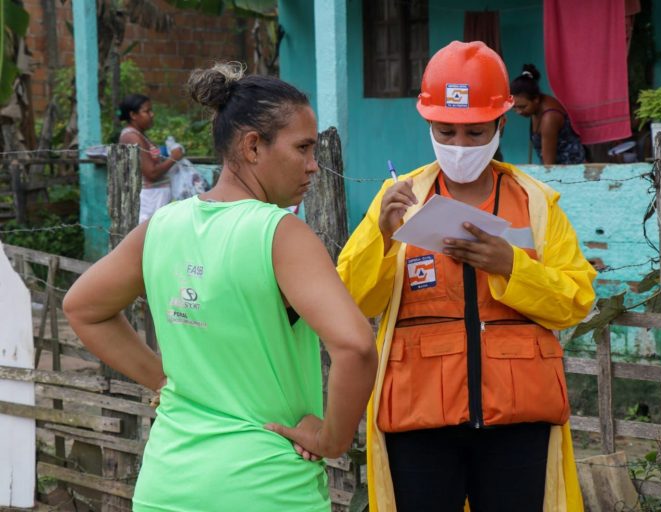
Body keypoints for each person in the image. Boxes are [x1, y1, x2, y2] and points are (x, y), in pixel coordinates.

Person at [64, 64, 378, 511]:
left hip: (167, 485)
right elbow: (356, 346)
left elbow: (81, 307)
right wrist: (330, 439)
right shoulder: (279, 233)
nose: (313, 165)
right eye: (303, 148)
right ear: (253, 146)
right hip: (265, 488)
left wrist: (166, 381)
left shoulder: (161, 227)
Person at [337, 41, 596, 512]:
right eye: (446, 131)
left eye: (475, 132)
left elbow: (575, 300)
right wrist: (383, 237)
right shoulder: (396, 199)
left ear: (500, 123)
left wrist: (510, 267)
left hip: (518, 420)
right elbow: (351, 302)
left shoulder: (536, 203)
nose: (460, 146)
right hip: (419, 419)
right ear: (429, 125)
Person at [118, 94, 183, 222]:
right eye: (147, 111)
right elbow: (151, 173)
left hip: (155, 200)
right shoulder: (131, 136)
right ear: (133, 115)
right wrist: (174, 157)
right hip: (149, 202)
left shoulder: (139, 135)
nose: (152, 114)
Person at [510, 64, 586, 165]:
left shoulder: (549, 118)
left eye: (522, 107)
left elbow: (548, 165)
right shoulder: (534, 107)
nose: (518, 111)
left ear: (536, 99)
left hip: (572, 171)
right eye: (514, 107)